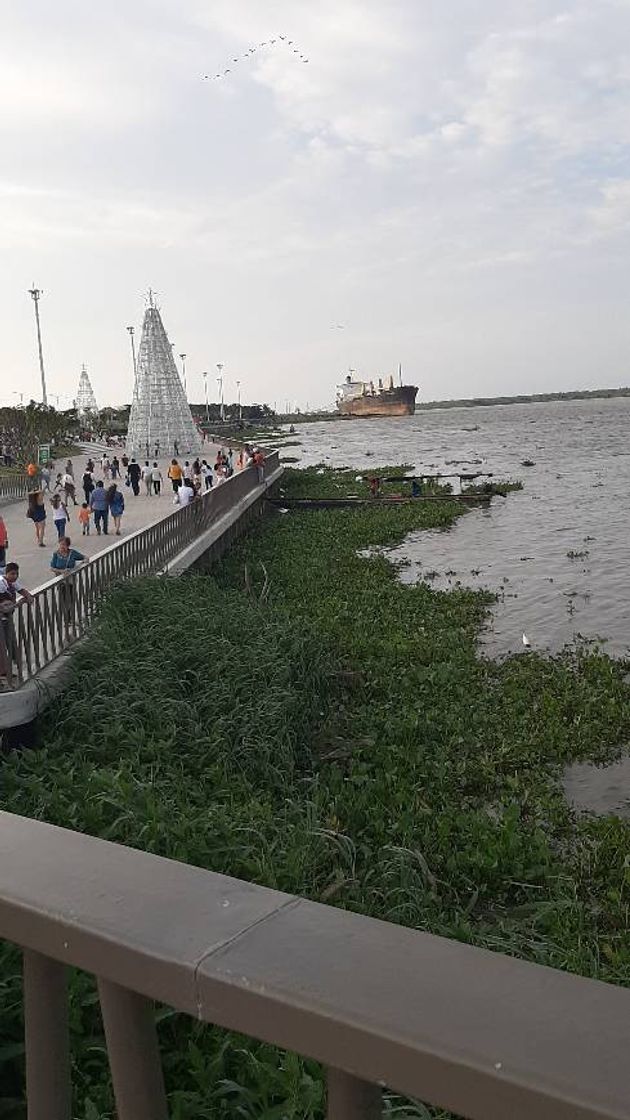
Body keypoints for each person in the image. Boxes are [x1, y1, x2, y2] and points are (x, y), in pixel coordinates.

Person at [0, 562, 34, 688]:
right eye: (12, 574)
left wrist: (28, 596)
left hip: (6, 617)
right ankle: (3, 672)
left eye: (16, 574)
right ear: (6, 573)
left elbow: (21, 590)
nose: (15, 576)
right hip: (2, 617)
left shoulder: (12, 583)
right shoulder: (1, 584)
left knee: (10, 639)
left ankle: (13, 661)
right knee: (2, 645)